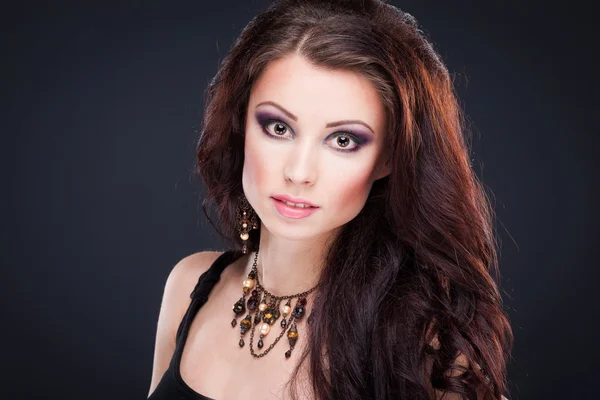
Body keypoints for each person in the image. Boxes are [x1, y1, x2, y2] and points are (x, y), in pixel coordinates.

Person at [147, 0, 513, 399]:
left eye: (343, 140)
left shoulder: (420, 346)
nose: (299, 172)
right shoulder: (188, 286)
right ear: (240, 122)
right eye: (278, 127)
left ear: (389, 157)